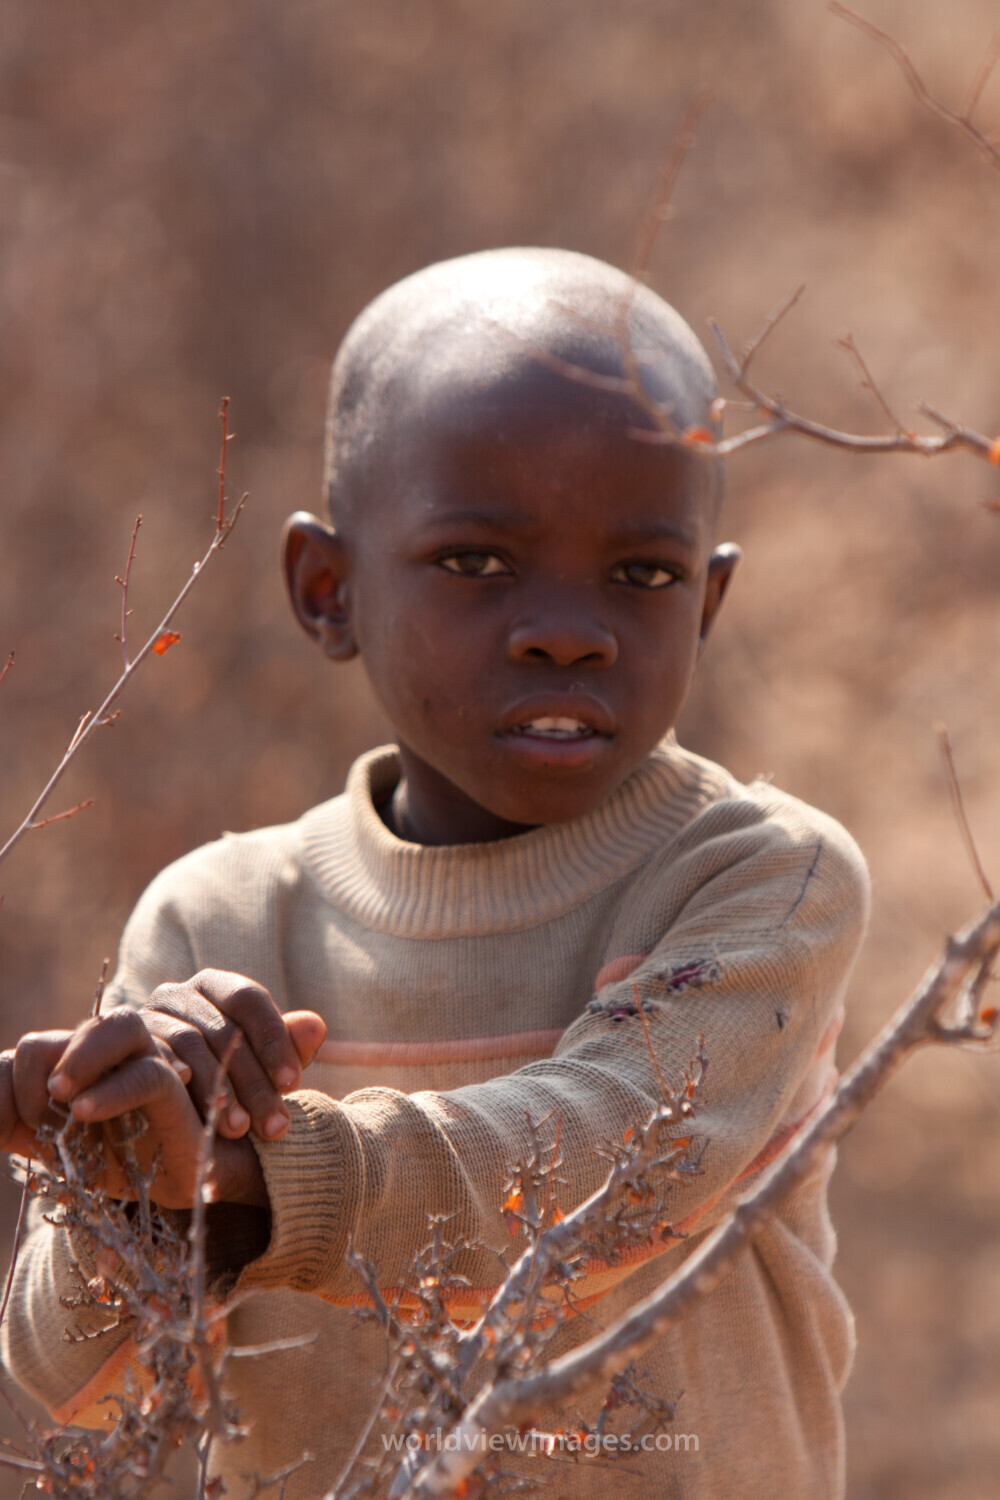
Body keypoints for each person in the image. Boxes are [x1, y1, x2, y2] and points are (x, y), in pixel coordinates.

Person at [0, 247, 869, 1499]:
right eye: (475, 560)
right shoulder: (218, 920)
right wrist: (123, 1187)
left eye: (644, 574)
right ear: (328, 590)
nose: (566, 628)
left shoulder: (761, 880)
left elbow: (593, 1167)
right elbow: (72, 1381)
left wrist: (253, 1173)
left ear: (708, 606)